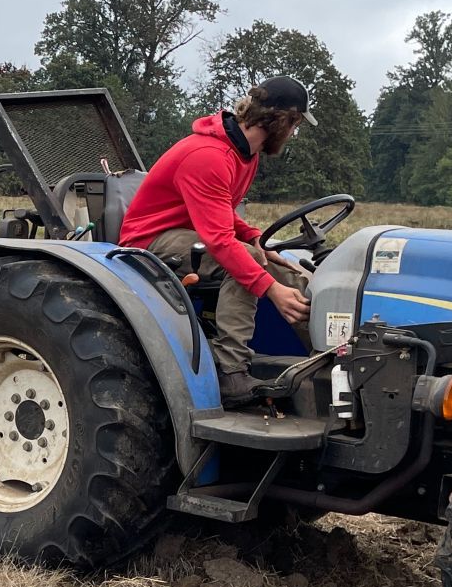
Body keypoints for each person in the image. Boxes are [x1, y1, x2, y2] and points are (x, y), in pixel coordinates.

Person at [118, 76, 314, 405]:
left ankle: (328, 354)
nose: (293, 134)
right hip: (149, 239)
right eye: (294, 125)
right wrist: (270, 289)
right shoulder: (208, 156)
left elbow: (220, 211)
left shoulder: (245, 153)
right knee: (244, 262)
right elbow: (221, 242)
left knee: (284, 270)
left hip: (192, 230)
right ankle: (230, 371)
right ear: (280, 120)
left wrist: (256, 239)